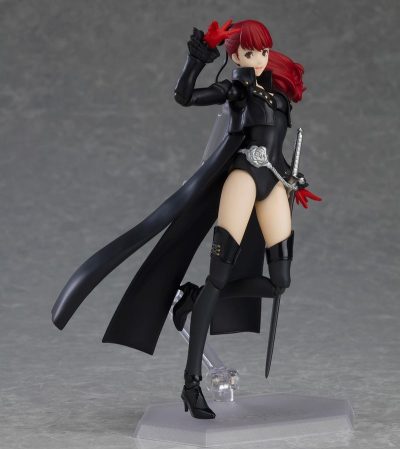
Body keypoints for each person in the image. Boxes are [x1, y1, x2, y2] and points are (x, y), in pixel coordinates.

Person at [51, 18, 321, 422]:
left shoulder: (277, 96)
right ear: (235, 55)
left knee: (280, 283)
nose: (259, 59)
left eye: (263, 51)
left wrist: (294, 180)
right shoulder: (236, 90)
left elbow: (276, 148)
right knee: (219, 276)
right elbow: (185, 97)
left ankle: (193, 300)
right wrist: (196, 59)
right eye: (250, 52)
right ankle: (191, 383)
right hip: (244, 179)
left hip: (274, 184)